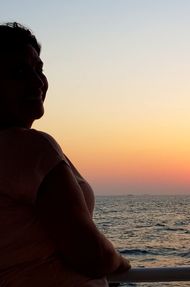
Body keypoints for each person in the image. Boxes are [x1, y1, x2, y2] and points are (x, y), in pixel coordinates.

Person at [0, 22, 130, 286]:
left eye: (39, 69)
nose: (37, 81)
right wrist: (120, 260)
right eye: (19, 71)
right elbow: (93, 256)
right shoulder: (30, 149)